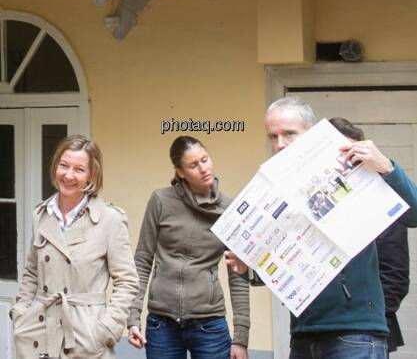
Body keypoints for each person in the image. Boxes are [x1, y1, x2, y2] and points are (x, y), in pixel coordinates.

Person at [225, 97, 417, 359]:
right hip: (304, 334)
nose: (279, 144)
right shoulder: (278, 192)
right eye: (273, 136)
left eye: (289, 134)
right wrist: (252, 267)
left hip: (355, 334)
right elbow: (288, 261)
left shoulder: (359, 171)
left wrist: (386, 166)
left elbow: (414, 215)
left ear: (315, 133)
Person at [10, 134, 139, 359]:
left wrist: (106, 328)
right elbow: (31, 272)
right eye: (64, 166)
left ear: (91, 174)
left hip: (85, 337)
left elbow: (127, 280)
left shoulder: (109, 219)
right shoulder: (41, 215)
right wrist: (21, 313)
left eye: (79, 169)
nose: (68, 175)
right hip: (38, 333)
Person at [127, 135, 250, 359]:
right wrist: (133, 317)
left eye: (205, 159)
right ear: (180, 171)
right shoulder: (161, 200)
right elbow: (143, 260)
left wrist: (241, 338)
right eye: (193, 165)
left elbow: (238, 275)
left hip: (210, 325)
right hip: (161, 325)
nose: (203, 168)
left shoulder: (229, 210)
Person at [329, 117, 410, 355]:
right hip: (311, 334)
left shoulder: (382, 204)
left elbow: (395, 278)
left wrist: (362, 315)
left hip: (363, 336)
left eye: (352, 156)